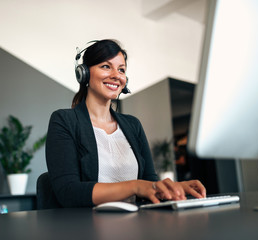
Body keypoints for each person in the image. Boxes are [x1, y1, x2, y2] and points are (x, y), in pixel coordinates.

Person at [45, 39, 206, 208]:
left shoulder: (132, 125)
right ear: (84, 73)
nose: (116, 75)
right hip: (89, 227)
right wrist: (134, 186)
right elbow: (68, 192)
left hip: (138, 222)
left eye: (121, 70)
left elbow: (150, 184)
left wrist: (173, 189)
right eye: (106, 66)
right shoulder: (64, 121)